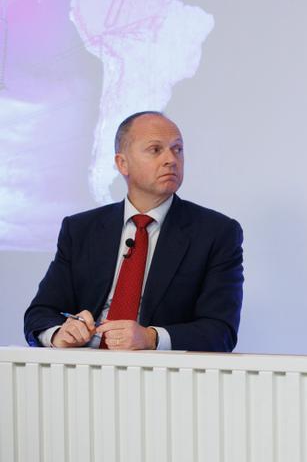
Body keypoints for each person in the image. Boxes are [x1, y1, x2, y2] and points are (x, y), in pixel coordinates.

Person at [23, 111, 244, 352]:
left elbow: (220, 332)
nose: (171, 159)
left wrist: (151, 338)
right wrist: (59, 334)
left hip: (163, 376)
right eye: (155, 149)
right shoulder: (81, 230)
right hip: (84, 369)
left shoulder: (216, 233)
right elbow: (40, 314)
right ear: (122, 163)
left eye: (177, 149)